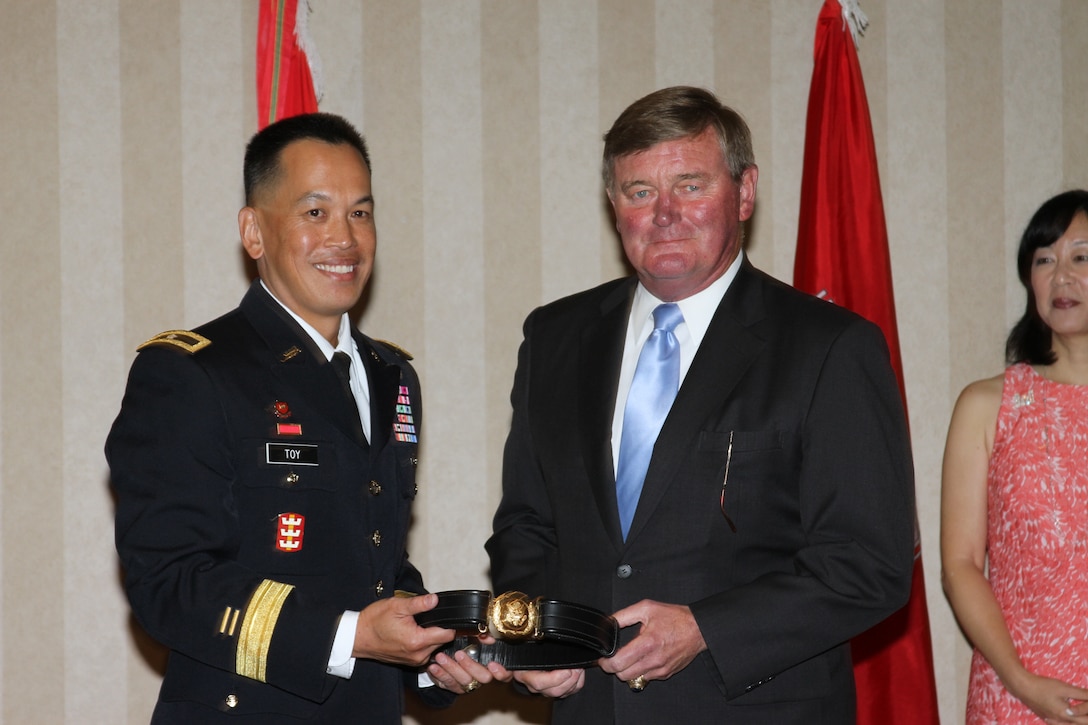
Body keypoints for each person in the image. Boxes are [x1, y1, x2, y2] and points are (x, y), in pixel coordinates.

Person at [485, 86, 915, 723]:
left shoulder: (828, 347)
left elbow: (869, 565)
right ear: (614, 205)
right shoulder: (554, 338)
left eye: (690, 185)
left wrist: (706, 628)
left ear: (744, 193)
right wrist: (542, 638)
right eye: (639, 192)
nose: (664, 214)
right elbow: (526, 526)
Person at [106, 113, 499, 724]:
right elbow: (169, 582)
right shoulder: (190, 373)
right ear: (254, 231)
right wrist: (348, 637)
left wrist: (432, 648)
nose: (344, 238)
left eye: (360, 213)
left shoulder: (394, 375)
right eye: (314, 213)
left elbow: (373, 562)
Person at [941, 189, 1088, 724]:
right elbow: (960, 565)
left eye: (1081, 256)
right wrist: (1022, 683)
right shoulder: (988, 405)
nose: (1062, 276)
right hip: (1016, 693)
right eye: (1044, 259)